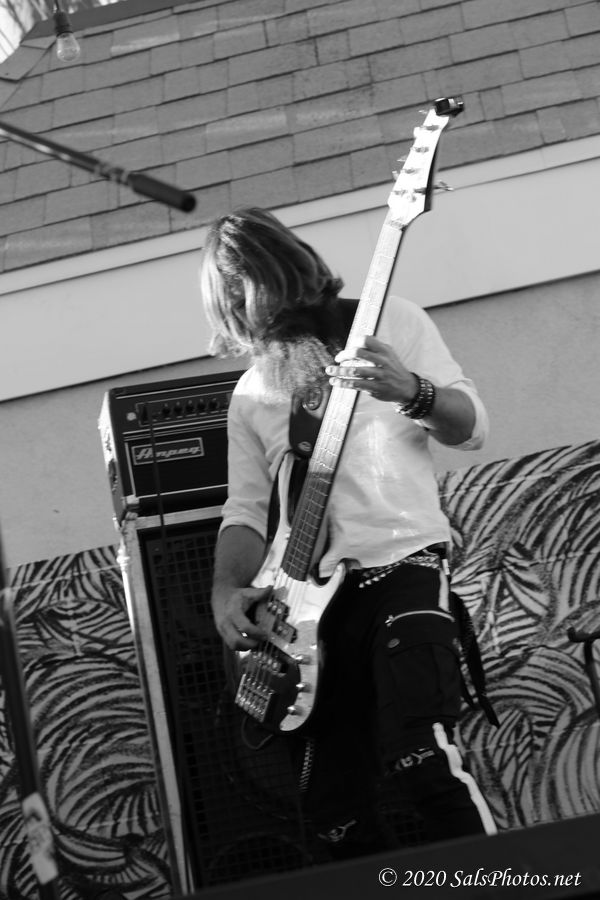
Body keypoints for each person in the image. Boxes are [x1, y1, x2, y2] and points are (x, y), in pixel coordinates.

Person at [200, 206, 496, 859]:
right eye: (232, 298)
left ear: (286, 271)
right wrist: (225, 592)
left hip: (402, 570)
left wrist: (411, 390)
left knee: (423, 761)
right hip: (303, 615)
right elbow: (245, 512)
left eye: (248, 290)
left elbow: (471, 427)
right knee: (333, 812)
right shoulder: (251, 393)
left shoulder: (392, 323)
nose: (245, 310)